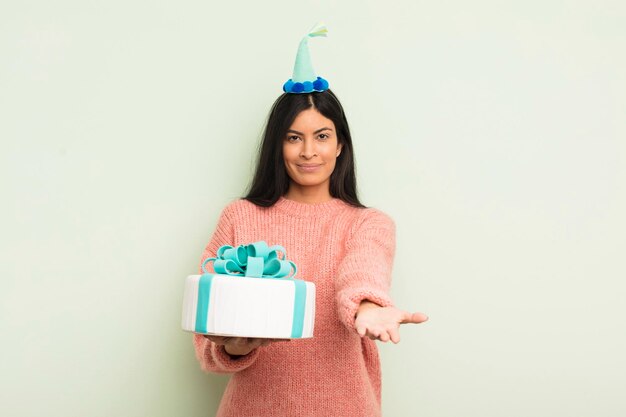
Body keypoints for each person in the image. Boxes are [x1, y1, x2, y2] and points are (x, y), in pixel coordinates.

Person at [192, 25, 428, 417]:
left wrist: (367, 306)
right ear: (277, 145)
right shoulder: (240, 216)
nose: (308, 152)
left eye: (321, 136)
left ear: (340, 145)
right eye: (293, 138)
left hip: (344, 406)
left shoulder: (368, 224)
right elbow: (208, 329)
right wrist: (235, 345)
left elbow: (362, 271)